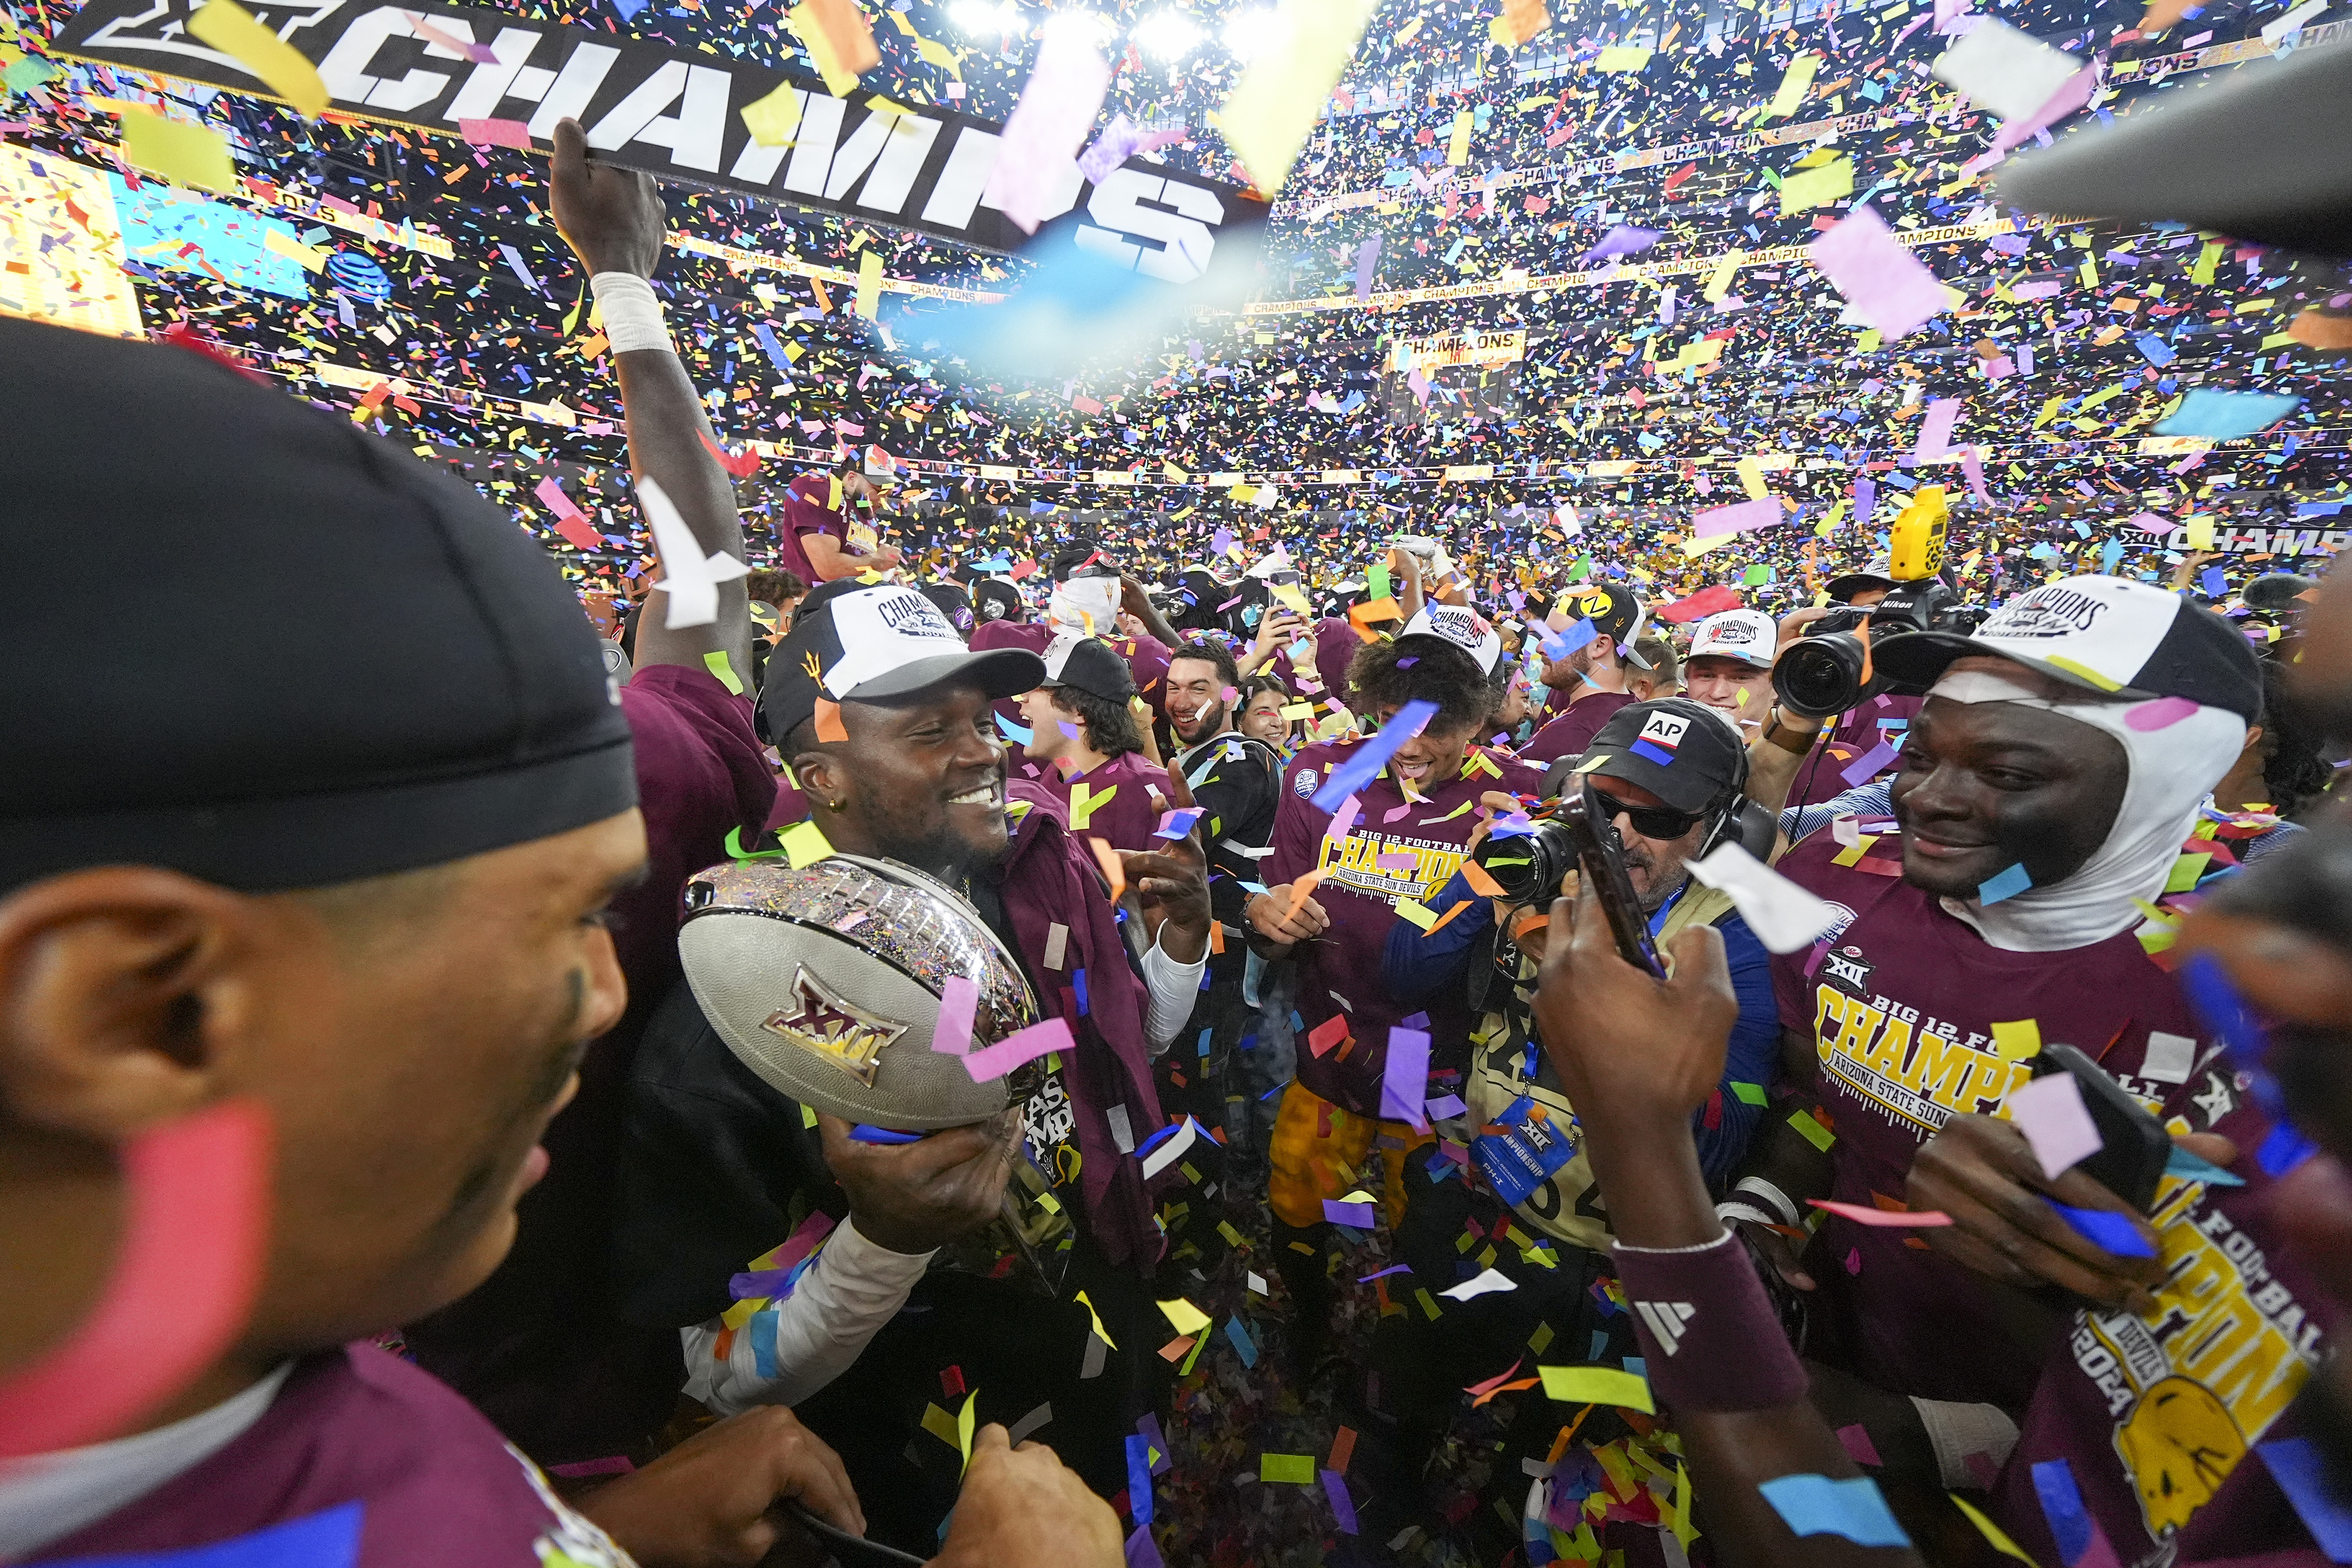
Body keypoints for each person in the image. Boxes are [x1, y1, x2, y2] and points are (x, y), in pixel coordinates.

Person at [0, 308, 1115, 1568]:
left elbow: (701, 603)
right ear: (133, 1003)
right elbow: (702, 1352)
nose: (609, 989)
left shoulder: (277, 1375)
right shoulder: (726, 972)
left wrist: (632, 291)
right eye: (562, 922)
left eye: (605, 906)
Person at [614, 576, 1213, 1552]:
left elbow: (1118, 1057)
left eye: (981, 720)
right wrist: (885, 1239)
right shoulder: (732, 1004)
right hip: (920, 1484)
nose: (984, 750)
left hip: (1097, 1355)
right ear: (823, 775)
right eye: (930, 730)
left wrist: (1177, 949)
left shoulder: (1021, 873)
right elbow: (703, 1374)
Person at [403, 122, 789, 1467]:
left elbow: (696, 594)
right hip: (574, 1398)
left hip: (532, 1413)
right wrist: (622, 278)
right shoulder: (620, 768)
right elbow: (703, 588)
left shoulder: (622, 767)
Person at [1726, 575, 2261, 1471]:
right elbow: (1818, 1093)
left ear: (2170, 779)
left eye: (2007, 772)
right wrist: (1758, 1214)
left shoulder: (2264, 997)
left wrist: (1934, 1439)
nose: (1926, 798)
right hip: (1834, 1351)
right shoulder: (1838, 876)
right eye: (1919, 755)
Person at [1361, 698, 1783, 1548]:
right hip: (1475, 1189)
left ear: (1715, 829)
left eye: (1657, 817)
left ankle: (1493, 1522)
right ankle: (1391, 1479)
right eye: (1604, 804)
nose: (1620, 833)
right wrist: (1491, 886)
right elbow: (1401, 970)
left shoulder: (1732, 937)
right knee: (1412, 1365)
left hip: (1595, 1253)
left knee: (1545, 1440)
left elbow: (1719, 1142)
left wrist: (1628, 983)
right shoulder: (1525, 851)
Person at [1247, 604, 1543, 1365]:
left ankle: (1406, 1355)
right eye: (1392, 717)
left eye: (1437, 726)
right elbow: (1271, 896)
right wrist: (1262, 916)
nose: (1409, 743)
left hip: (1436, 1067)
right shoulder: (1322, 770)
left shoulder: (1512, 796)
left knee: (1423, 1232)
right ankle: (1310, 1322)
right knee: (1297, 1204)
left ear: (1479, 717)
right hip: (1328, 1052)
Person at [1160, 638, 1287, 1184]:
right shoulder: (1198, 755)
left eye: (1198, 688)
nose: (1181, 700)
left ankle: (1215, 1206)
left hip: (1224, 957)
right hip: (1195, 945)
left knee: (1203, 1076)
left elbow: (1187, 839)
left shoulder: (1241, 760)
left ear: (1230, 695)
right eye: (1173, 687)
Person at [1016, 637, 1178, 852]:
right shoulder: (1054, 776)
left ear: (1080, 712)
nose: (1022, 698)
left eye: (1039, 688)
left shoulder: (1154, 794)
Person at [1520, 583, 1645, 764]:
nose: (1541, 647)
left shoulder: (1572, 734)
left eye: (1556, 636)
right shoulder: (1633, 712)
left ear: (1600, 646)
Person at [773, 462, 902, 585]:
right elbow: (829, 568)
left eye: (887, 495)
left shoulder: (870, 519)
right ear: (852, 478)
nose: (882, 501)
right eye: (878, 490)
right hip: (812, 602)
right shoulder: (817, 489)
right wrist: (878, 562)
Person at [1682, 607, 1780, 739]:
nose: (1717, 693)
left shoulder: (1809, 756)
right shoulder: (1659, 746)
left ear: (1777, 686)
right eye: (1707, 676)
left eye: (1741, 678)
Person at [1236, 673, 1305, 750]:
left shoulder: (1304, 757)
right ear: (1239, 722)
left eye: (1283, 710)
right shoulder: (1231, 761)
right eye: (1264, 713)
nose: (1277, 723)